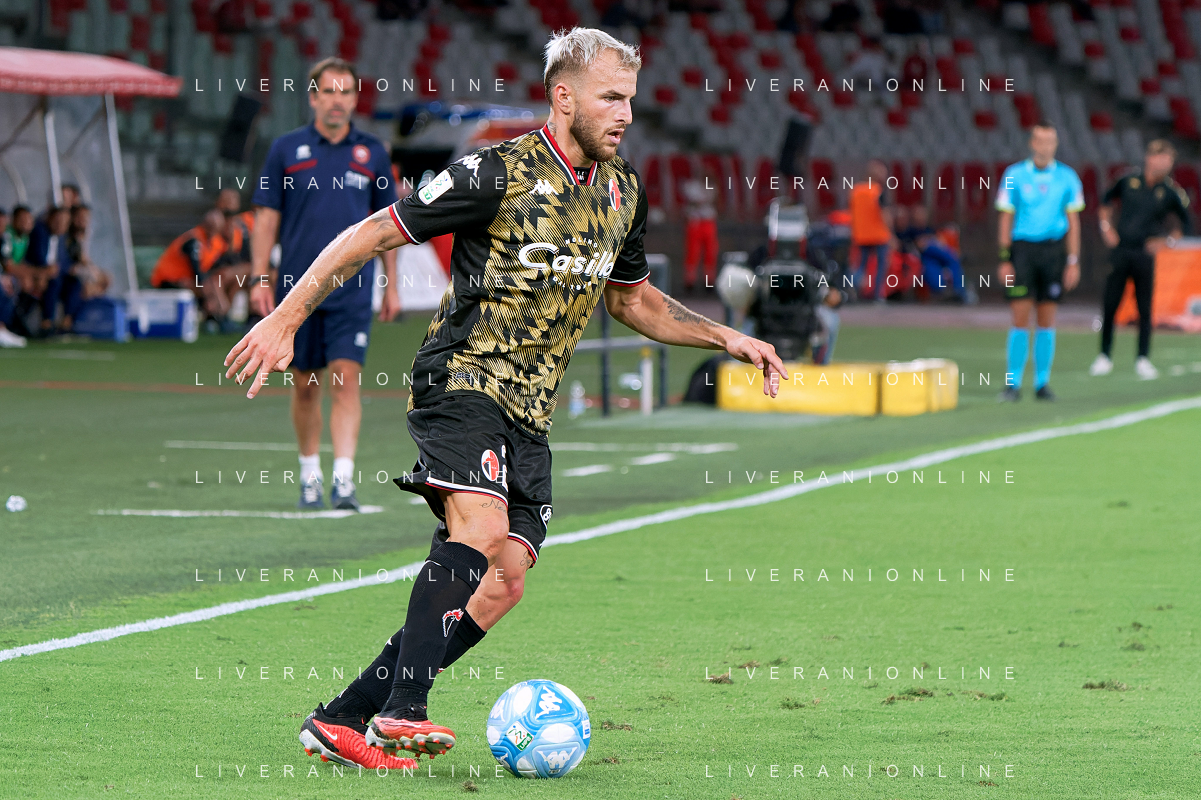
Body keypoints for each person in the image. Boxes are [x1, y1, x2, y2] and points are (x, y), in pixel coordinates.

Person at [224, 26, 787, 771]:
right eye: (610, 98)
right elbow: (370, 234)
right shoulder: (496, 172)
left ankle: (342, 716)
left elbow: (633, 301)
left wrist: (726, 337)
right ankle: (404, 709)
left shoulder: (623, 190)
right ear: (564, 98)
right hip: (462, 377)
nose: (625, 114)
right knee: (482, 526)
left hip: (531, 408)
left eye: (630, 100)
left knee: (507, 578)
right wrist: (285, 317)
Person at [249, 57, 400, 512]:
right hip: (297, 291)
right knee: (305, 385)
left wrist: (392, 286)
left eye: (346, 92)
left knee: (346, 380)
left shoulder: (372, 153)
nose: (338, 100)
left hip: (353, 290)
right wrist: (260, 278)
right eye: (329, 91)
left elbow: (391, 225)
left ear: (355, 99)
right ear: (313, 97)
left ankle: (344, 481)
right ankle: (309, 476)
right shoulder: (285, 149)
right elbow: (266, 219)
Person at [995, 123, 1084, 402]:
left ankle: (1041, 383)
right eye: (1041, 140)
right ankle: (1012, 384)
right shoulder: (1014, 175)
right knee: (1019, 316)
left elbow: (1073, 221)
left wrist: (1072, 260)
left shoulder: (1068, 177)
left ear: (1055, 144)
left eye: (1050, 141)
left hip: (1053, 252)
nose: (1045, 146)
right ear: (1032, 143)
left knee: (1047, 318)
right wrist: (1005, 259)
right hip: (1023, 251)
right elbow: (1006, 217)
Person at [1091, 139, 1190, 380]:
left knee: (1145, 309)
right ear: (1150, 158)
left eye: (1169, 160)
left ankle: (1143, 358)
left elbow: (1185, 223)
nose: (1166, 164)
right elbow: (1105, 202)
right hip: (1121, 250)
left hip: (1145, 255)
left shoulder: (1170, 191)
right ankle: (1104, 355)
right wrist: (1107, 228)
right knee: (1111, 304)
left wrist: (1166, 242)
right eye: (1162, 158)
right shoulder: (1128, 180)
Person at [150, 208, 237, 322]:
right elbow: (196, 269)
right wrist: (206, 286)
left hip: (188, 279)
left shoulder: (214, 241)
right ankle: (217, 317)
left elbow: (222, 262)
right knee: (207, 288)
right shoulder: (193, 239)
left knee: (217, 282)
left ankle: (218, 316)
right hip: (169, 280)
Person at [26, 205, 79, 334]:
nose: (61, 225)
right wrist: (47, 270)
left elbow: (65, 261)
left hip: (56, 274)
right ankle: (47, 323)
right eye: (58, 221)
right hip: (38, 273)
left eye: (64, 222)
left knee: (75, 283)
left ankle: (66, 322)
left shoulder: (62, 238)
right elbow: (36, 257)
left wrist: (69, 269)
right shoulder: (40, 232)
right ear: (50, 219)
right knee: (54, 282)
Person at [849, 159, 894, 299]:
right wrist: (891, 234)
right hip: (879, 234)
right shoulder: (878, 191)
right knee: (881, 266)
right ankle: (877, 295)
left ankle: (853, 289)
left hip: (861, 235)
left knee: (860, 266)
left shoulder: (856, 191)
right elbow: (885, 215)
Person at [681, 174, 718, 291]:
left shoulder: (712, 186)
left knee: (710, 252)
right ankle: (690, 282)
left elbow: (716, 201)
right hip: (695, 222)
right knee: (693, 252)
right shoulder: (691, 186)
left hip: (708, 221)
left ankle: (709, 281)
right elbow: (691, 202)